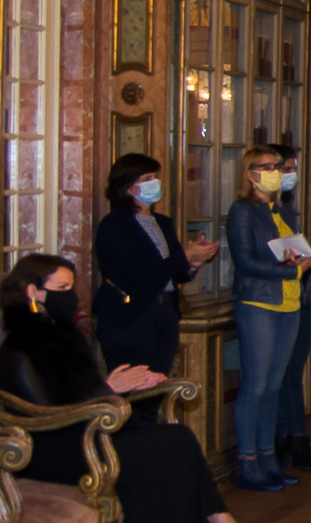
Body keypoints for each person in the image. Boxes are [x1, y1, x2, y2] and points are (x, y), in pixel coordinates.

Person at [0, 254, 275, 523]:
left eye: (72, 287)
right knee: (151, 454)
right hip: (50, 451)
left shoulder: (64, 335)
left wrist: (129, 386)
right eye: (62, 288)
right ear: (32, 291)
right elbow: (49, 418)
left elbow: (85, 395)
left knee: (177, 439)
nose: (73, 297)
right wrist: (110, 389)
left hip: (88, 434)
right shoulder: (16, 351)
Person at [226, 146, 310, 492]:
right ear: (250, 174)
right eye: (267, 166)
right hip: (258, 302)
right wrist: (290, 271)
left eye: (277, 166)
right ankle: (248, 463)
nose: (275, 171)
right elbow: (245, 261)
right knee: (255, 385)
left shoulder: (285, 210)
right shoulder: (242, 210)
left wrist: (302, 261)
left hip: (289, 302)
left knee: (273, 386)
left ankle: (269, 457)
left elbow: (298, 250)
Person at [92, 154, 219, 376]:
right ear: (129, 187)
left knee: (158, 384)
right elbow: (138, 272)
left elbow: (173, 271)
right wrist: (184, 257)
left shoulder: (162, 222)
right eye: (148, 179)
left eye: (155, 177)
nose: (156, 182)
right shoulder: (115, 224)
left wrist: (193, 262)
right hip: (132, 315)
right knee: (136, 387)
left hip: (165, 312)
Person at [269, 144, 311, 474]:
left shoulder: (288, 211)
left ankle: (297, 440)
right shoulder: (255, 212)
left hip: (299, 295)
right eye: (286, 169)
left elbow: (296, 249)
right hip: (274, 300)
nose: (291, 175)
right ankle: (281, 442)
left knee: (293, 373)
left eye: (293, 168)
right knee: (278, 376)